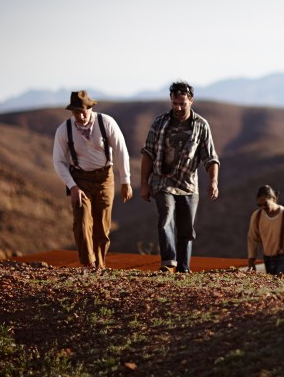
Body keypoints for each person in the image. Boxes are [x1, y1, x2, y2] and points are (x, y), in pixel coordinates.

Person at [139, 81, 220, 273]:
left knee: (186, 229)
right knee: (166, 216)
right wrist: (144, 183)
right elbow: (148, 153)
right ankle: (169, 263)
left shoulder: (201, 125)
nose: (178, 107)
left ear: (191, 100)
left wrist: (213, 181)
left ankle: (184, 268)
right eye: (175, 103)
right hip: (162, 180)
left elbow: (210, 157)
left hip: (188, 184)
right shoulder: (159, 123)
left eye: (182, 103)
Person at [51, 90, 133, 269]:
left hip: (105, 178)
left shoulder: (106, 122)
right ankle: (88, 263)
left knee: (102, 225)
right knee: (81, 221)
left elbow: (121, 151)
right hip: (80, 179)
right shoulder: (64, 130)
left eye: (83, 111)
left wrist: (125, 181)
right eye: (76, 112)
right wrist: (72, 186)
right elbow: (58, 160)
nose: (80, 116)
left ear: (90, 108)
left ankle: (100, 264)